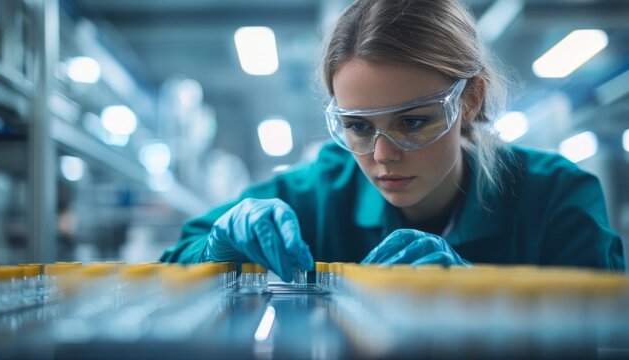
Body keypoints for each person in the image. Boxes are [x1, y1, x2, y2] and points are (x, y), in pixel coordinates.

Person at [160, 0, 625, 281]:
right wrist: (213, 249)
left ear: (468, 100)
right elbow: (174, 261)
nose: (382, 156)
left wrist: (481, 296)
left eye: (413, 122)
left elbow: (605, 331)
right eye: (358, 127)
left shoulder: (557, 200)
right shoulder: (318, 194)